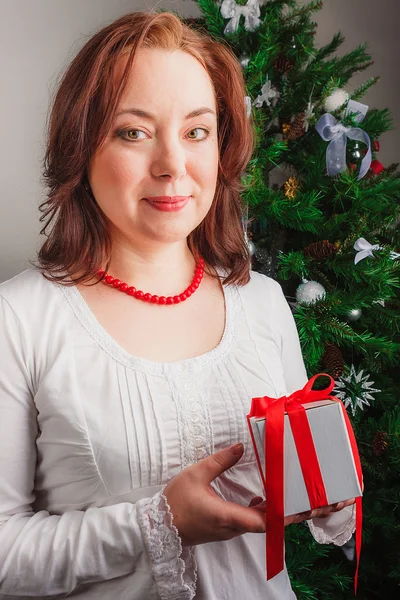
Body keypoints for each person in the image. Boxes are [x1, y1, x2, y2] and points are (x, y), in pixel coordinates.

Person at [0, 11, 357, 600]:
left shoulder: (264, 305)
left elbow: (312, 501)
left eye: (197, 131)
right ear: (81, 145)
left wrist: (327, 493)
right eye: (133, 132)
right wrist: (155, 524)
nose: (172, 167)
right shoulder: (19, 320)